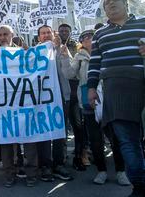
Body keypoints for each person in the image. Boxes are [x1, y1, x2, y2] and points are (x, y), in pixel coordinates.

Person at [88, 0, 145, 196]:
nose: (110, 4)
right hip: (115, 91)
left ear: (126, 4)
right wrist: (92, 88)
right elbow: (94, 63)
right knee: (128, 143)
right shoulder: (100, 34)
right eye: (106, 3)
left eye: (115, 0)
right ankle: (139, 187)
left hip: (141, 84)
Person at [0, 0, 38, 187]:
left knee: (27, 138)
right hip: (0, 101)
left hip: (21, 100)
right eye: (0, 34)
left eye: (5, 34)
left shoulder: (22, 52)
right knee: (7, 139)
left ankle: (31, 173)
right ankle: (9, 172)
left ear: (12, 35)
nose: (2, 37)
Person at [60, 29, 128, 185]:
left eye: (91, 36)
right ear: (81, 42)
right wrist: (64, 57)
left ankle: (121, 171)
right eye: (84, 38)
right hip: (89, 101)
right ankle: (102, 171)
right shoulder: (79, 57)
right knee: (95, 140)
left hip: (110, 100)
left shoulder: (108, 52)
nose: (88, 39)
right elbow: (70, 74)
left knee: (115, 138)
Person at [36, 25, 72, 182]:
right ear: (38, 38)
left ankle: (59, 164)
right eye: (42, 34)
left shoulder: (61, 49)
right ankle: (45, 165)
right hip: (42, 99)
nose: (45, 36)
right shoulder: (34, 53)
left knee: (60, 133)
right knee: (43, 133)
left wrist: (62, 53)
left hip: (61, 97)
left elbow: (70, 72)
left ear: (53, 34)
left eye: (48, 33)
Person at [58, 23, 87, 171]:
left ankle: (79, 155)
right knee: (61, 127)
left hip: (75, 92)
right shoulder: (52, 47)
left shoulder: (77, 47)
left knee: (78, 126)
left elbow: (75, 68)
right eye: (61, 31)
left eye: (66, 31)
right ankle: (61, 157)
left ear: (70, 32)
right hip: (60, 92)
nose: (63, 33)